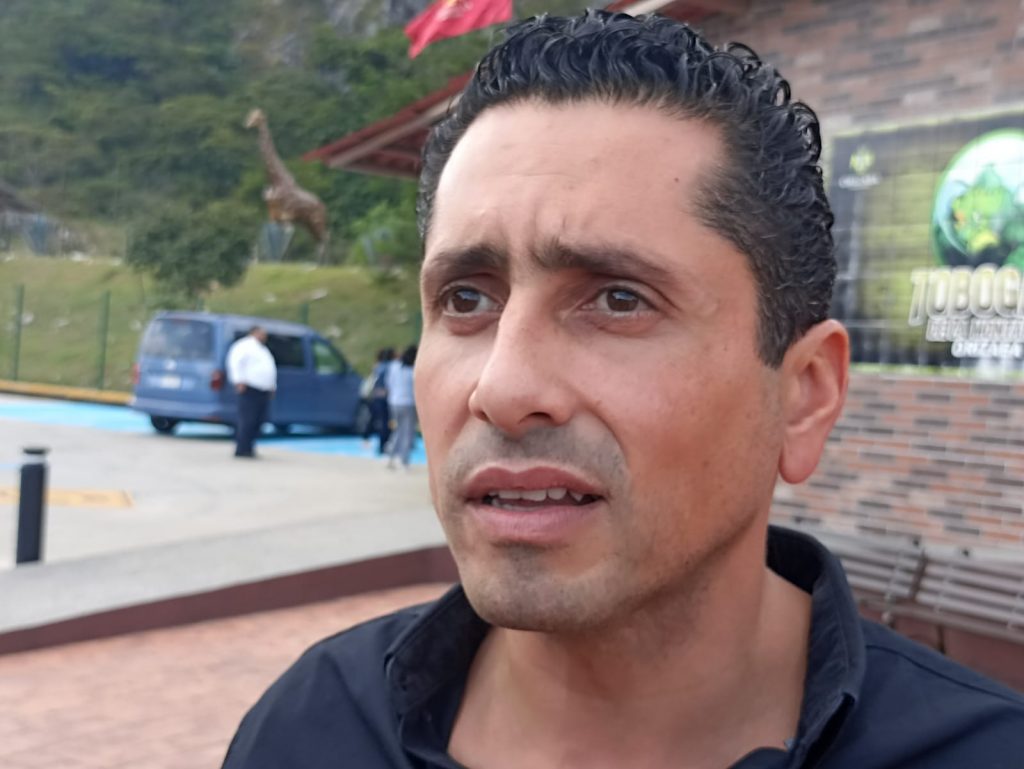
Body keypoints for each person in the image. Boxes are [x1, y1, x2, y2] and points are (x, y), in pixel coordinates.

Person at [222, 11, 1024, 768]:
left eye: (617, 299)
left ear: (804, 395)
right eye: (465, 299)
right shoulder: (311, 729)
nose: (502, 387)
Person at [225, 326, 276, 459]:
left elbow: (269, 369)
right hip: (249, 388)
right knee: (248, 419)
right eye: (262, 333)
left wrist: (272, 386)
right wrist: (238, 380)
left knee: (258, 420)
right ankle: (242, 448)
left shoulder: (262, 349)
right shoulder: (244, 346)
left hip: (263, 389)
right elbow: (235, 362)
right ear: (254, 332)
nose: (264, 336)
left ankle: (249, 447)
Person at [385, 344, 417, 470]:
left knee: (397, 430)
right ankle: (404, 459)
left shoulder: (394, 367)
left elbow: (389, 383)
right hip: (408, 403)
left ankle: (390, 456)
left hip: (394, 402)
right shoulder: (413, 371)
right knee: (407, 432)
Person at [363, 347, 395, 455]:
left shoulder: (378, 366)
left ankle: (368, 437)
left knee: (376, 419)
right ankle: (383, 444)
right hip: (385, 397)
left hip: (375, 396)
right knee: (385, 422)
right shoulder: (390, 367)